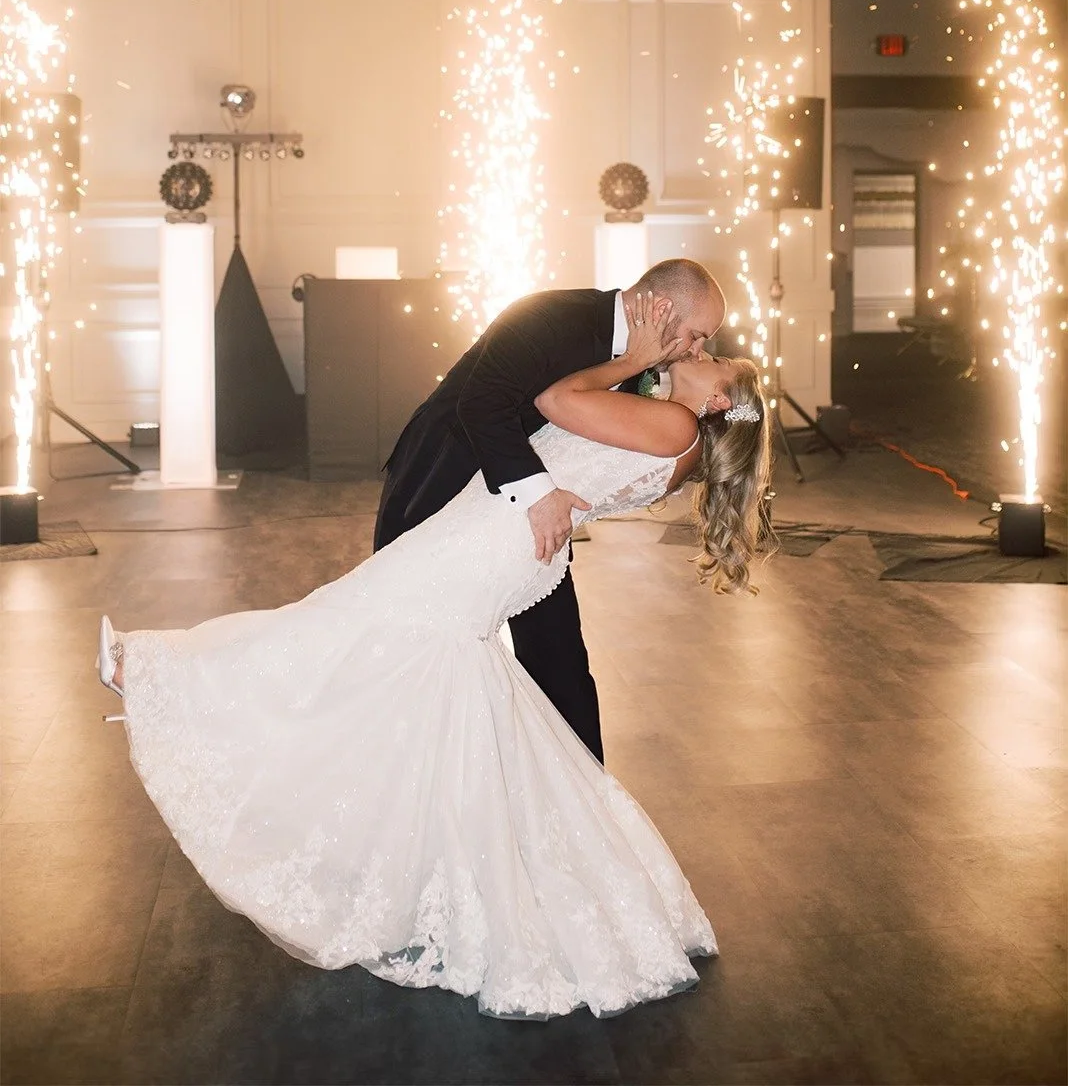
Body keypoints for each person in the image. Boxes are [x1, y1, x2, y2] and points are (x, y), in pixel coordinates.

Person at [97, 296, 772, 1020]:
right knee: (400, 655)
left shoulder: (675, 425)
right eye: (698, 343)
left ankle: (162, 676)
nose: (695, 355)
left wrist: (634, 359)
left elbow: (554, 400)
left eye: (710, 360)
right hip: (500, 528)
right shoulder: (670, 423)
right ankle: (442, 864)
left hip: (495, 538)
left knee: (352, 622)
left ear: (718, 401)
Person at [374, 259, 726, 761]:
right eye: (696, 335)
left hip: (529, 526)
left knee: (559, 659)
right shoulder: (550, 315)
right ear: (663, 308)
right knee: (406, 636)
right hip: (438, 485)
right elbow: (481, 404)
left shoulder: (644, 370)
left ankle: (585, 790)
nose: (696, 350)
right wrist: (539, 496)